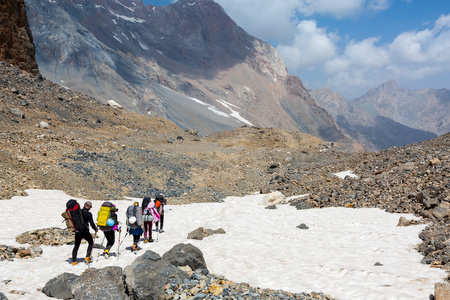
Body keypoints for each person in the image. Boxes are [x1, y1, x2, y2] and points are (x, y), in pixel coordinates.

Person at [72, 201, 98, 265]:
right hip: (84, 231)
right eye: (90, 207)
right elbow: (92, 223)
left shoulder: (78, 212)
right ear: (88, 206)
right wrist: (95, 229)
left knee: (76, 245)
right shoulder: (88, 214)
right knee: (91, 242)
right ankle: (87, 257)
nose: (90, 208)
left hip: (77, 231)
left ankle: (74, 261)